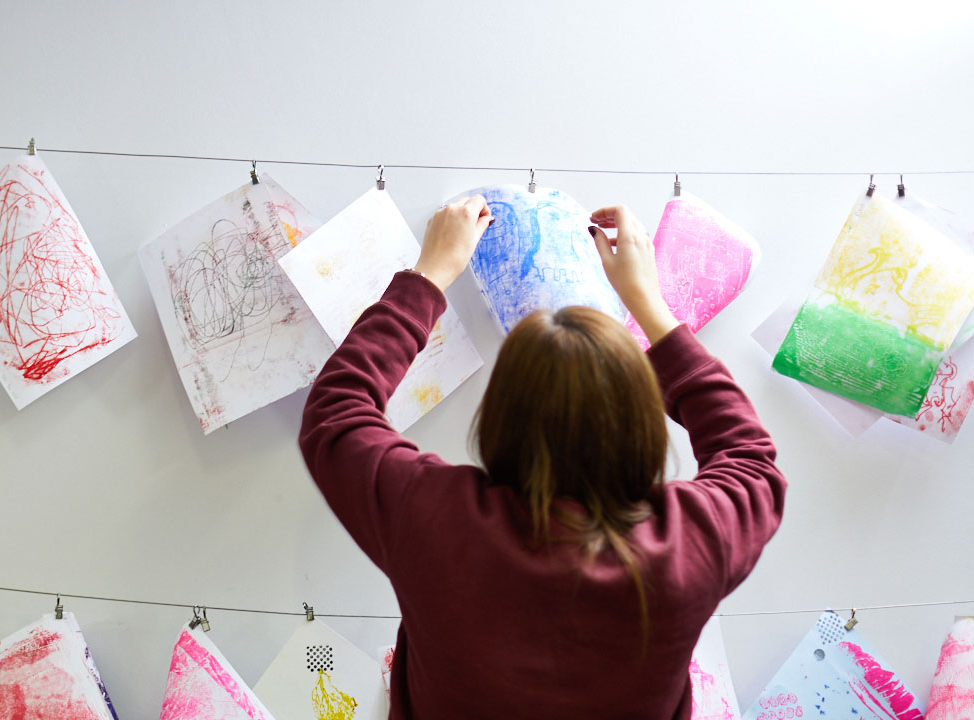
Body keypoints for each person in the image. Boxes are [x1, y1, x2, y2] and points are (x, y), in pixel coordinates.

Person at [298, 197, 786, 719]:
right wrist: (649, 305)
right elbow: (749, 455)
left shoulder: (436, 518)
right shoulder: (688, 542)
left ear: (500, 414)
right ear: (641, 418)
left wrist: (431, 273)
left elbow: (337, 412)